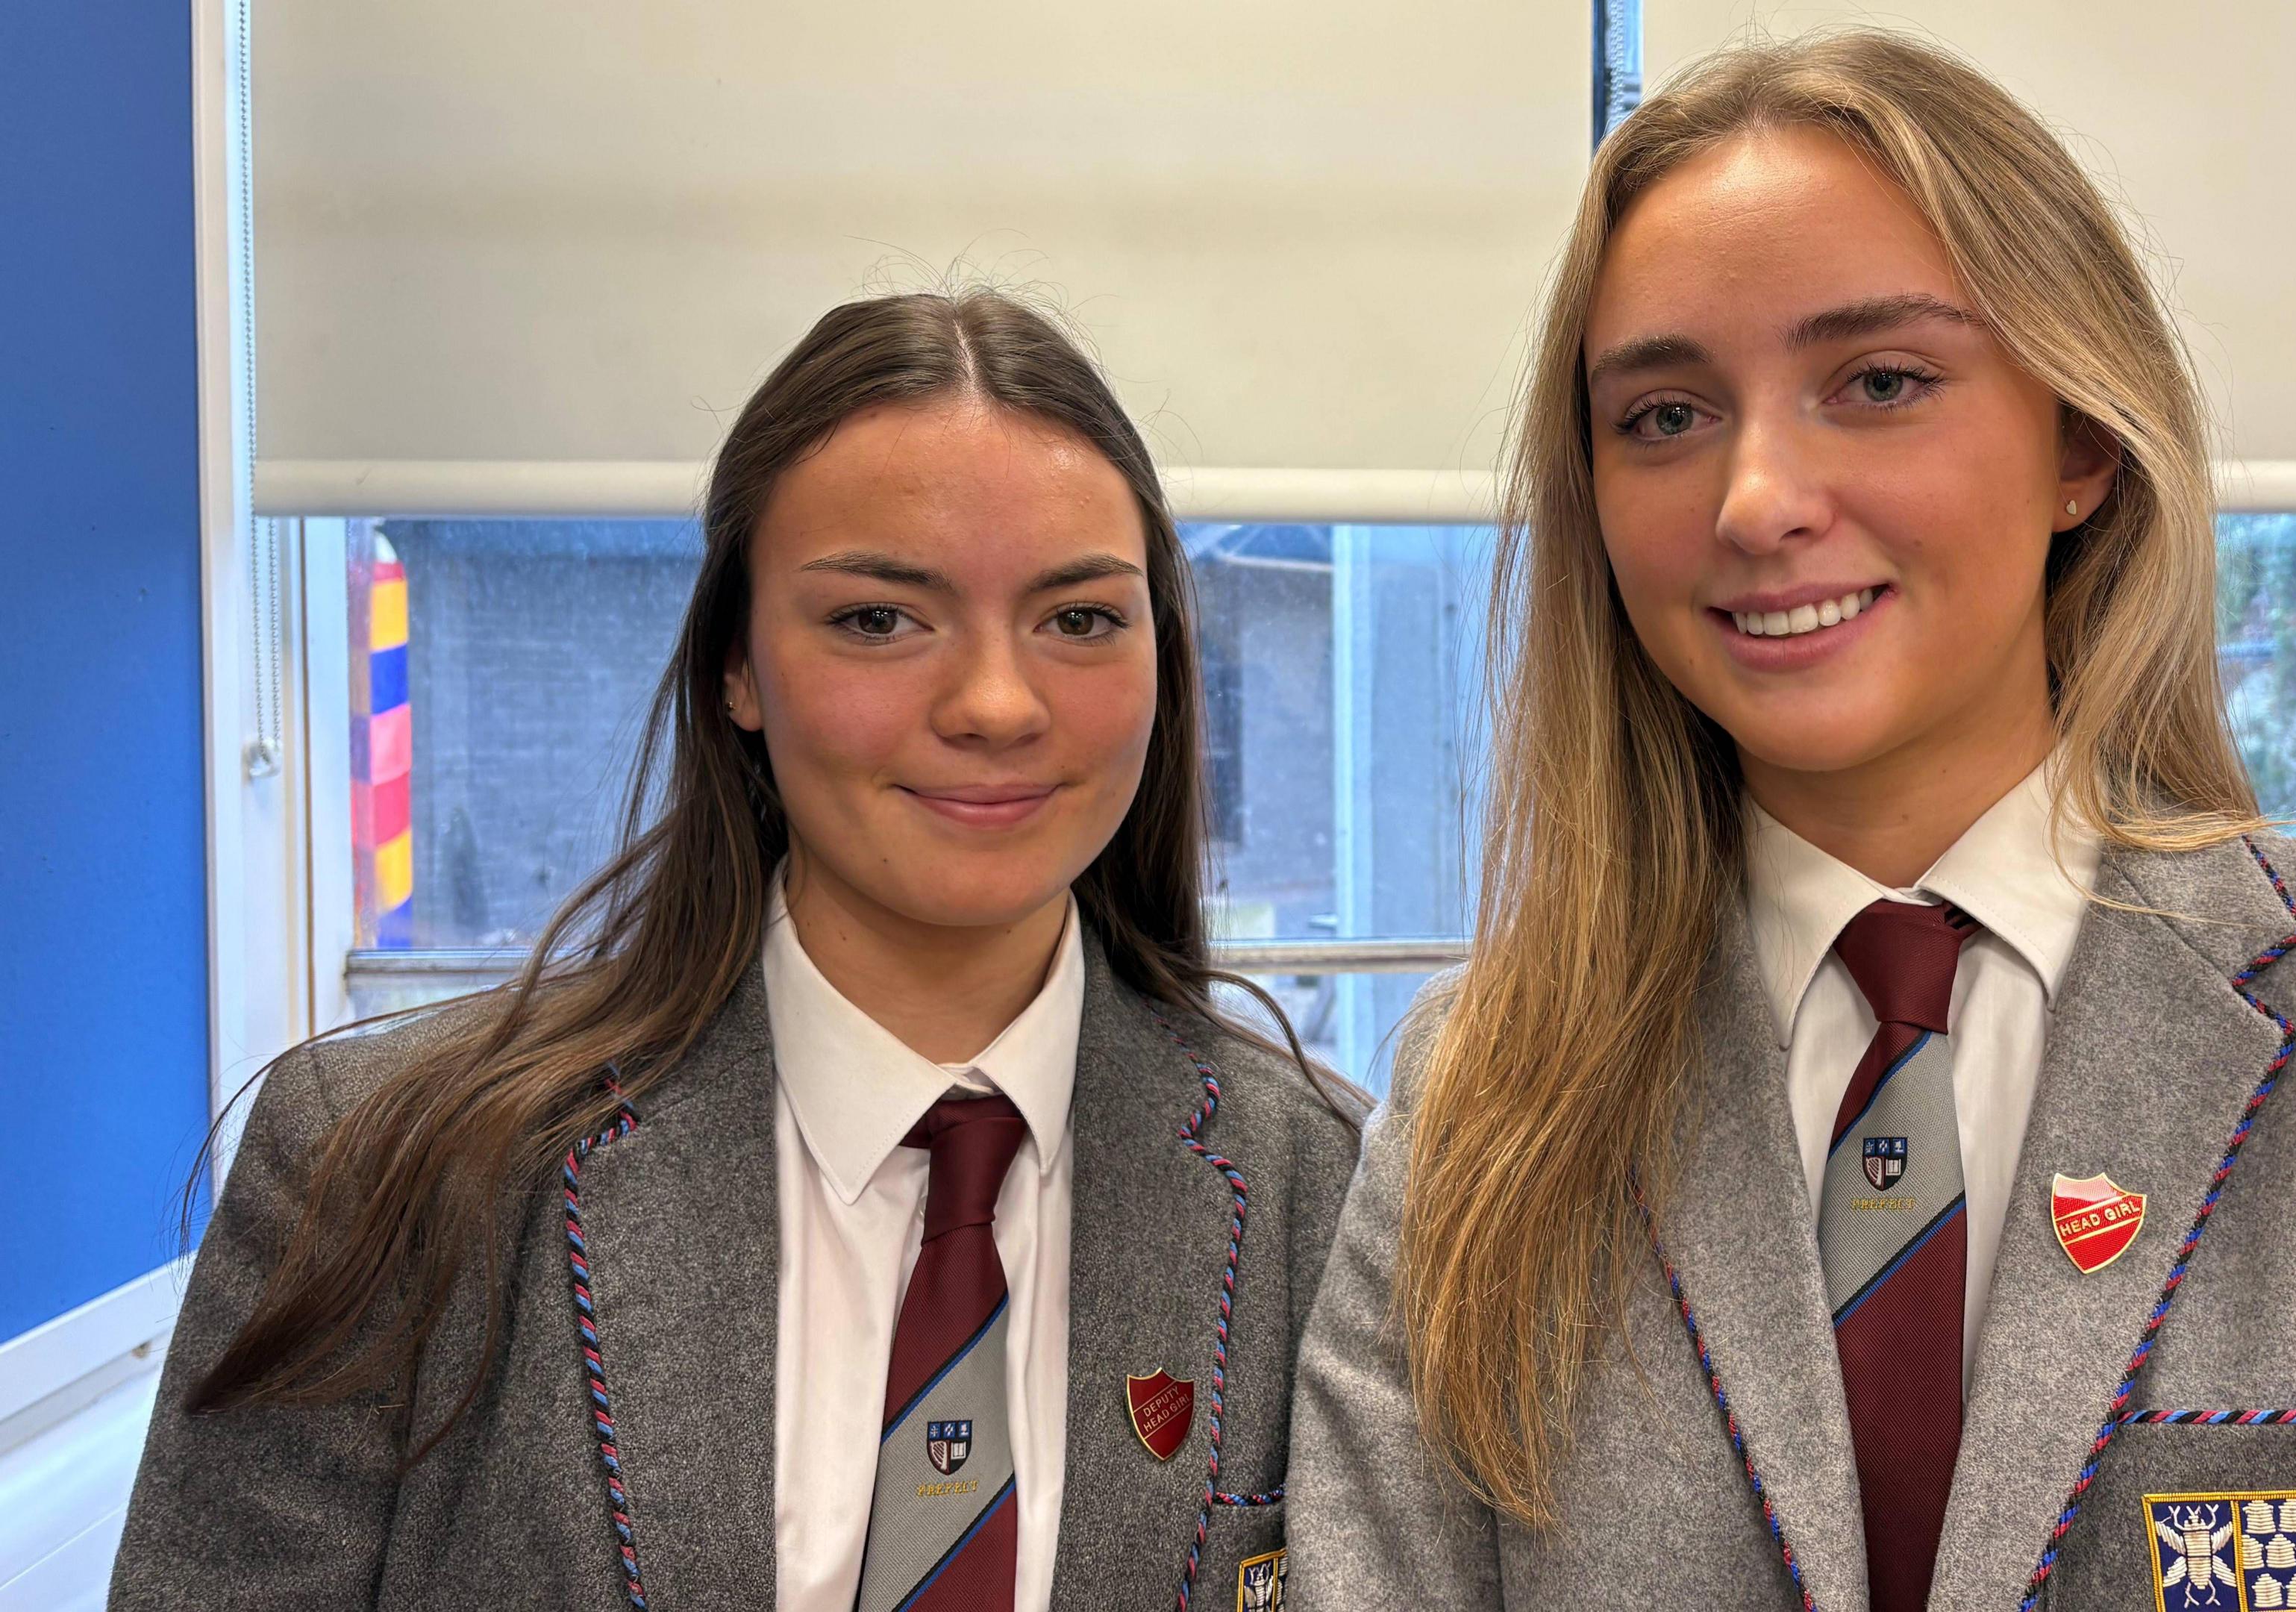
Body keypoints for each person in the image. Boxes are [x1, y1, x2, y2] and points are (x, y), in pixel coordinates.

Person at [1286, 31, 2296, 1612]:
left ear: (2080, 441)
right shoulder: (1482, 1104)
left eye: (1879, 383)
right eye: (1662, 415)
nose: (1755, 499)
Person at [114, 290, 1363, 1611]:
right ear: (737, 667)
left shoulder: (1324, 1192)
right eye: (879, 619)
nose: (997, 704)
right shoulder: (385, 1170)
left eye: (1081, 619)